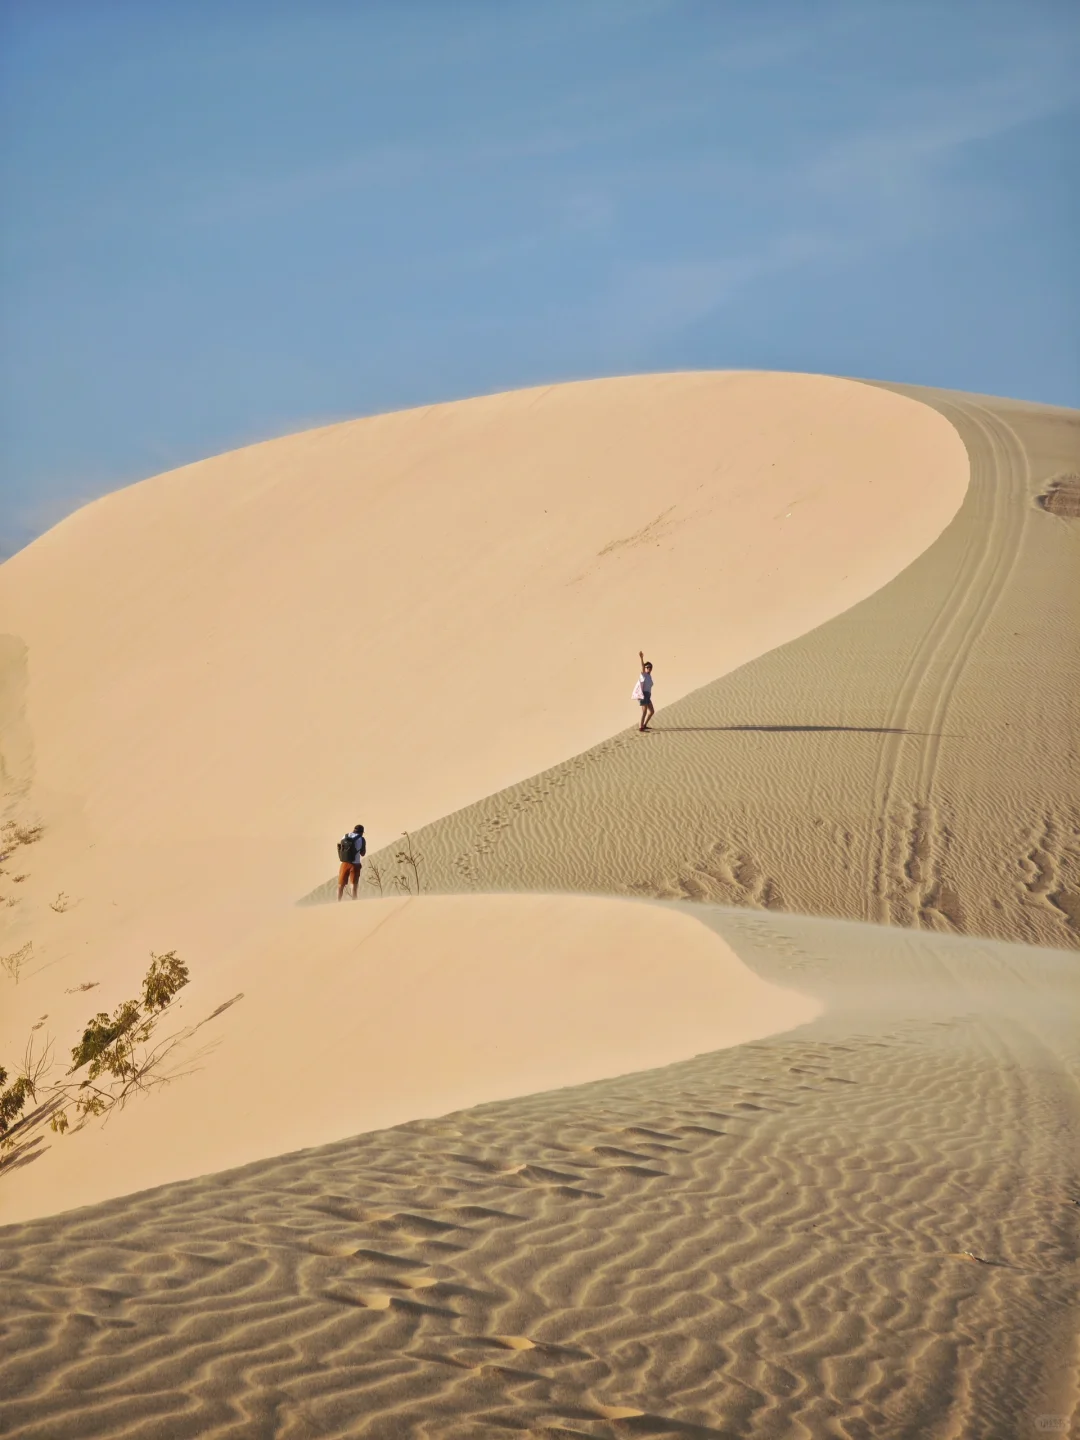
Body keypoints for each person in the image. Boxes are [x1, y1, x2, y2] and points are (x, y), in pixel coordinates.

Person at [337, 823, 367, 900]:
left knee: (340, 885)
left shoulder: (345, 836)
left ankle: (338, 900)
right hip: (355, 864)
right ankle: (354, 901)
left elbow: (341, 849)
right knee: (353, 884)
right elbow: (363, 853)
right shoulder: (361, 839)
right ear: (361, 832)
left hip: (344, 863)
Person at [633, 650, 654, 731]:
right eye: (647, 667)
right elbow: (642, 666)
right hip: (643, 694)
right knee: (644, 711)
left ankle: (644, 725)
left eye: (650, 667)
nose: (649, 668)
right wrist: (641, 658)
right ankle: (641, 727)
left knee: (651, 711)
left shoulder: (649, 676)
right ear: (645, 668)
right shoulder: (643, 674)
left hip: (648, 695)